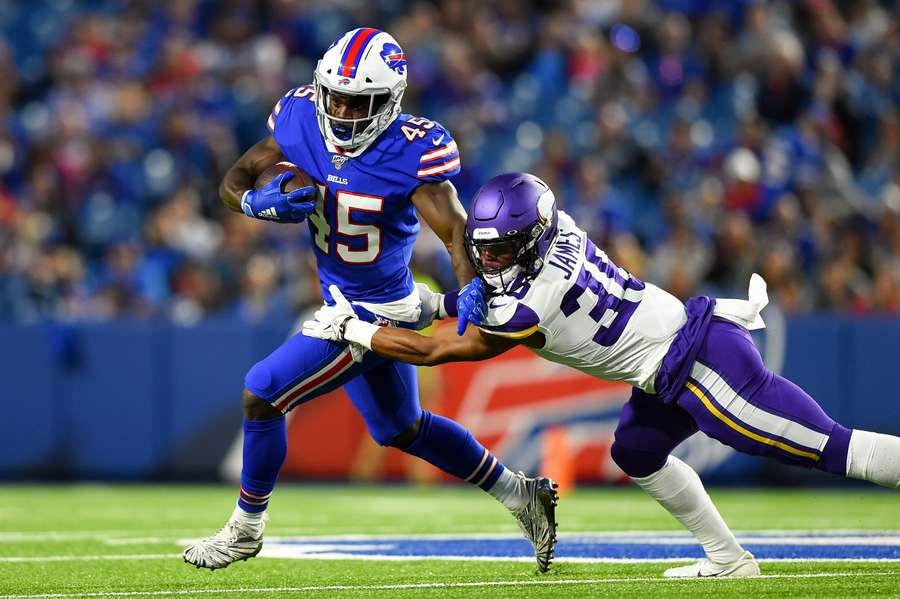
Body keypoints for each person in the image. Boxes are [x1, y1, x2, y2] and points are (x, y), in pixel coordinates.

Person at [304, 172, 900, 578]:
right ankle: (727, 557)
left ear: (531, 242)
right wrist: (441, 302)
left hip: (698, 366)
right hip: (671, 359)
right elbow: (484, 294)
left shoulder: (533, 298)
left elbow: (440, 351)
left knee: (830, 449)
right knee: (637, 450)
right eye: (485, 247)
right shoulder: (555, 233)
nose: (488, 259)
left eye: (502, 249)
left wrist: (353, 328)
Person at [183, 31, 558, 572]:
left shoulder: (412, 148)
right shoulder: (299, 117)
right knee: (401, 428)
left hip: (368, 311)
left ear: (391, 101)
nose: (341, 110)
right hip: (351, 299)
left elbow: (454, 233)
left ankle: (245, 529)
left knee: (261, 393)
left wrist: (475, 284)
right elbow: (235, 177)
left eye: (358, 102)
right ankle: (521, 495)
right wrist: (254, 202)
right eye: (334, 96)